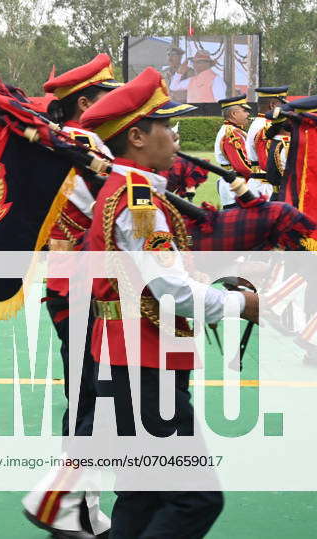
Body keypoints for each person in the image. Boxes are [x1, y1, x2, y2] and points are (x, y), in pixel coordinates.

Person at [79, 67, 259, 539]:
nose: (176, 135)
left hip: (131, 361)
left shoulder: (126, 191)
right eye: (167, 126)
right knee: (195, 498)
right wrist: (242, 305)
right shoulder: (139, 202)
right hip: (143, 368)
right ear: (137, 136)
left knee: (143, 493)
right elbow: (172, 292)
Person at [21, 54, 120, 539]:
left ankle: (82, 504)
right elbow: (111, 211)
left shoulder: (59, 145)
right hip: (91, 286)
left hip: (68, 284)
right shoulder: (84, 146)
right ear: (86, 102)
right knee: (99, 397)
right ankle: (59, 498)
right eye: (108, 94)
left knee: (88, 394)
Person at [215, 94, 265, 208]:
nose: (248, 114)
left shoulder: (232, 130)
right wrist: (260, 178)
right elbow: (242, 166)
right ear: (234, 114)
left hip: (234, 185)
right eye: (245, 110)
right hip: (236, 188)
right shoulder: (232, 134)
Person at [247, 86, 289, 173]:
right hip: (266, 182)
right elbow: (268, 160)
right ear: (273, 105)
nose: (285, 107)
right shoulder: (267, 125)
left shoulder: (259, 122)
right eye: (283, 104)